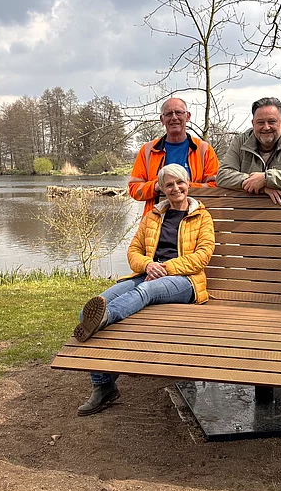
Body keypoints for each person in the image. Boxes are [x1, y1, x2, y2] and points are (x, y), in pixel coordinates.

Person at [73, 163, 216, 416]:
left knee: (143, 294)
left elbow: (203, 255)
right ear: (162, 188)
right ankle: (104, 387)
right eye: (169, 184)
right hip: (147, 273)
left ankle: (103, 318)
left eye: (179, 182)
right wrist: (149, 264)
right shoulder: (153, 216)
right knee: (95, 305)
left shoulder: (201, 216)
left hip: (185, 280)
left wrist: (166, 267)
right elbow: (133, 251)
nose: (175, 188)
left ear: (188, 183)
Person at [216, 97, 281, 205]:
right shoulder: (240, 141)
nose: (266, 127)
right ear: (253, 123)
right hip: (246, 214)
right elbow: (222, 175)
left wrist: (267, 178)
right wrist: (261, 186)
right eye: (260, 122)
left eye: (271, 121)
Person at [128, 98, 219, 215]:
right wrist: (156, 186)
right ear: (162, 119)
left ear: (188, 116)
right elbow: (134, 189)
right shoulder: (148, 150)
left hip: (194, 219)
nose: (174, 117)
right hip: (155, 221)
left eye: (179, 112)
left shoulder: (204, 150)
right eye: (169, 114)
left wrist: (184, 186)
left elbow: (215, 187)